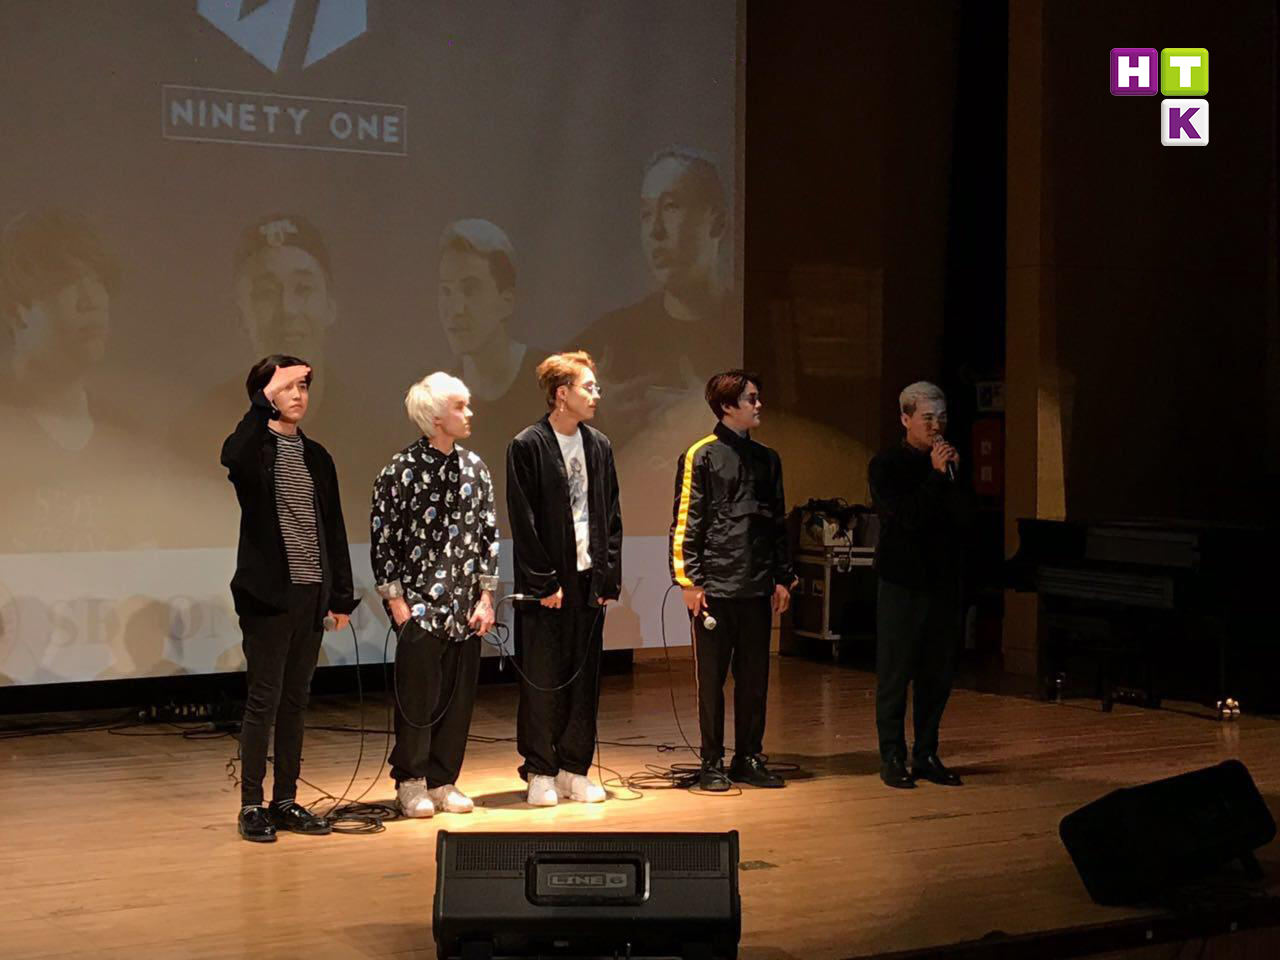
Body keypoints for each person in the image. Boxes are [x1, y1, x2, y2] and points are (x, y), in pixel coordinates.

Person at [220, 355, 358, 842]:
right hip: (268, 597)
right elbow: (233, 456)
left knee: (296, 701)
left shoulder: (317, 456)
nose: (299, 395)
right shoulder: (255, 449)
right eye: (288, 386)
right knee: (265, 699)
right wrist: (261, 402)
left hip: (311, 594)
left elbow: (333, 528)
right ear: (266, 394)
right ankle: (251, 804)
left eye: (303, 386)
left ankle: (284, 800)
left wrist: (340, 597)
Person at [370, 372, 499, 818]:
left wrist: (486, 598)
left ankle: (444, 780)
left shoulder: (476, 468)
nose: (469, 413)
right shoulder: (400, 470)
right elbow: (384, 539)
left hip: (466, 608)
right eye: (460, 406)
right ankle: (411, 781)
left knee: (458, 701)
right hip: (420, 608)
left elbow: (488, 536)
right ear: (436, 416)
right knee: (418, 701)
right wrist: (397, 604)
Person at [669, 370, 794, 791]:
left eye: (757, 397)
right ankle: (711, 761)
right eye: (751, 399)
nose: (759, 405)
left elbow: (777, 522)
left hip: (757, 586)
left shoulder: (769, 458)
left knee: (755, 678)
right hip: (715, 588)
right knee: (712, 681)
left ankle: (748, 757)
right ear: (726, 406)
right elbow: (686, 522)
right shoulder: (700, 455)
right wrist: (689, 581)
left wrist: (782, 577)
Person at [506, 351, 622, 806]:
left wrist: (608, 578)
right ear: (561, 393)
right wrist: (543, 582)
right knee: (543, 677)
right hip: (548, 583)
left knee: (584, 676)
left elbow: (611, 516)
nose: (596, 395)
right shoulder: (527, 445)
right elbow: (524, 520)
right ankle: (540, 769)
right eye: (588, 387)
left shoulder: (599, 445)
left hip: (589, 580)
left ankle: (575, 768)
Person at [868, 381, 975, 789]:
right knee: (896, 673)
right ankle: (892, 756)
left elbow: (966, 519)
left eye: (942, 418)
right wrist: (934, 476)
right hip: (903, 581)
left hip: (943, 581)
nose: (936, 426)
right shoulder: (886, 465)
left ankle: (927, 752)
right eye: (928, 418)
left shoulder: (950, 463)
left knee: (937, 673)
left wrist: (953, 478)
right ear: (905, 418)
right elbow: (905, 519)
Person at [437, 219, 544, 524]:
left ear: (506, 301)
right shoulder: (437, 400)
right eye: (446, 291)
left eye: (470, 290)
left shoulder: (550, 385)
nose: (456, 308)